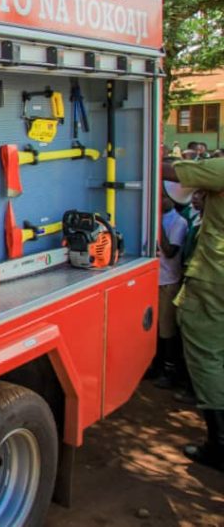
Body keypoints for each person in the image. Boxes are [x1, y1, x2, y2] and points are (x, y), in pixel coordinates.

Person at [162, 158, 224, 471]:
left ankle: (219, 445)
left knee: (207, 358)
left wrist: (139, 150)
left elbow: (170, 172)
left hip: (214, 279)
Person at [154, 189, 188, 389]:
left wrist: (156, 224)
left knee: (167, 330)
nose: (160, 200)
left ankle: (170, 371)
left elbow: (169, 251)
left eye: (164, 197)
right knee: (155, 327)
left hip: (168, 282)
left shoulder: (179, 222)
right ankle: (156, 366)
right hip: (154, 280)